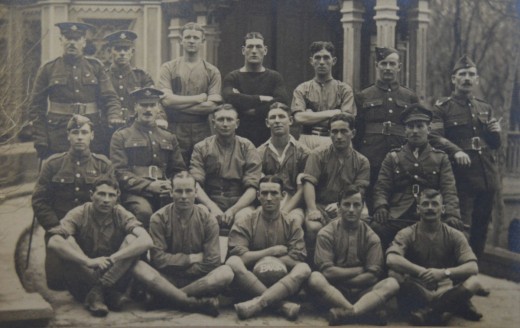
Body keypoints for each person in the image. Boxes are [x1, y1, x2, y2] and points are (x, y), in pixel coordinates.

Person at [129, 171, 234, 317]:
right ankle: (191, 302)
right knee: (138, 267)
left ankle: (167, 298)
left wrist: (178, 266)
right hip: (167, 278)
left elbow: (212, 262)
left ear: (196, 192)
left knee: (226, 273)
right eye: (179, 191)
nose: (184, 196)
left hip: (196, 280)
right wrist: (191, 259)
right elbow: (158, 260)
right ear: (171, 192)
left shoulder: (208, 220)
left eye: (188, 191)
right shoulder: (158, 218)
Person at [46, 178, 153, 317]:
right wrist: (87, 261)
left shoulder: (120, 213)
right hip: (82, 280)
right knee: (67, 239)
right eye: (101, 194)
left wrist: (115, 257)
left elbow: (147, 241)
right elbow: (53, 241)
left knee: (133, 239)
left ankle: (99, 291)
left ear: (117, 197)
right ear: (91, 195)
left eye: (111, 195)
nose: (106, 200)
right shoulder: (79, 213)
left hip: (114, 277)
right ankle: (107, 294)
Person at [431, 55, 501, 262]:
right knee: (459, 226)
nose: (467, 78)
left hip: (486, 175)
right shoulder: (442, 107)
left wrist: (495, 132)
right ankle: (457, 274)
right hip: (460, 177)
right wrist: (456, 151)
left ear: (477, 80)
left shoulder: (484, 108)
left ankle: (473, 274)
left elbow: (495, 144)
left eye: (471, 75)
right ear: (454, 79)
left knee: (481, 228)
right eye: (462, 74)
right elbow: (434, 137)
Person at [32, 115, 115, 290]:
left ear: (92, 135)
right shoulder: (53, 164)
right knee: (57, 284)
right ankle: (96, 285)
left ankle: (94, 287)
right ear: (68, 135)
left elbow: (113, 200)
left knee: (89, 272)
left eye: (84, 132)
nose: (79, 137)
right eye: (75, 132)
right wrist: (53, 226)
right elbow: (39, 200)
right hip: (61, 229)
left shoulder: (103, 165)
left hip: (91, 230)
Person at [371, 104, 463, 249]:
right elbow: (382, 187)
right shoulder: (393, 157)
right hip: (399, 213)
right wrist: (381, 206)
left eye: (420, 126)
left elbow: (449, 189)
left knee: (453, 232)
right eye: (410, 126)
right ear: (404, 131)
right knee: (377, 228)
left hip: (430, 211)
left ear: (429, 129)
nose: (415, 131)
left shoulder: (440, 158)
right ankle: (384, 269)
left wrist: (452, 214)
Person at [386, 188, 483, 325]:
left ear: (443, 209)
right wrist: (420, 272)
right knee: (394, 275)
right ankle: (444, 310)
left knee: (474, 282)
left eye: (435, 204)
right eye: (425, 204)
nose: (430, 208)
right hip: (417, 288)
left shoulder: (455, 235)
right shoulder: (406, 233)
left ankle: (429, 312)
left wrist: (444, 273)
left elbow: (473, 267)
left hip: (445, 290)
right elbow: (391, 259)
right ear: (418, 209)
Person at [28, 22, 123, 158]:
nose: (72, 43)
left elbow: (111, 98)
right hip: (58, 133)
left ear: (83, 42)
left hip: (91, 131)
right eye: (68, 38)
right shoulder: (48, 69)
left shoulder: (96, 67)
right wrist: (41, 139)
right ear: (61, 40)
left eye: (76, 39)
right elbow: (36, 107)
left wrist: (114, 116)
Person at [307, 187, 399, 326]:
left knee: (392, 283)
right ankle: (364, 312)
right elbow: (327, 272)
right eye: (346, 204)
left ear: (362, 207)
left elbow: (373, 276)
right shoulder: (326, 233)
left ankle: (348, 313)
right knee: (315, 278)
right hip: (335, 291)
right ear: (339, 207)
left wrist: (342, 276)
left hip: (363, 291)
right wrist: (359, 270)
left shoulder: (371, 237)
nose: (351, 209)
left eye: (356, 205)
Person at [226, 175, 311, 320]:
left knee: (304, 269)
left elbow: (297, 258)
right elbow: (240, 256)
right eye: (264, 193)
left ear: (283, 196)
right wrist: (271, 252)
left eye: (274, 193)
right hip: (250, 281)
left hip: (282, 282)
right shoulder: (246, 221)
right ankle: (281, 304)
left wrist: (269, 261)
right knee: (232, 262)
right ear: (258, 196)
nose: (269, 198)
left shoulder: (291, 222)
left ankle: (259, 302)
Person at [354, 47, 419, 214]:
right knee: (375, 204)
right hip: (372, 156)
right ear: (377, 65)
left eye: (392, 64)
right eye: (384, 63)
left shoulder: (410, 97)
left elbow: (415, 129)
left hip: (401, 157)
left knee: (399, 205)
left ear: (399, 67)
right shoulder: (363, 95)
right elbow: (358, 130)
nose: (388, 67)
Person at [110, 87, 186, 228]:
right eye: (143, 105)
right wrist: (149, 186)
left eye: (152, 105)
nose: (148, 110)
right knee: (144, 212)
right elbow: (119, 171)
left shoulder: (168, 137)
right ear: (135, 108)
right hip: (134, 192)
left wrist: (171, 184)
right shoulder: (121, 136)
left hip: (164, 190)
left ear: (158, 108)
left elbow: (178, 170)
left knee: (179, 211)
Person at [302, 113, 370, 263]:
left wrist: (341, 205)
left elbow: (360, 190)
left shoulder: (362, 161)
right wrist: (312, 209)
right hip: (320, 205)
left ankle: (351, 262)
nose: (339, 136)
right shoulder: (317, 155)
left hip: (348, 204)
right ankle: (314, 265)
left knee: (363, 220)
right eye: (334, 131)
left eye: (344, 131)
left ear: (353, 133)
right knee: (313, 227)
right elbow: (309, 183)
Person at [158, 22, 223, 164]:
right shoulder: (168, 68)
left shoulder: (212, 71)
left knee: (201, 166)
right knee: (175, 167)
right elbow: (166, 101)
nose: (191, 41)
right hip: (174, 127)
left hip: (202, 129)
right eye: (187, 37)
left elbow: (211, 107)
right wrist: (198, 98)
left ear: (202, 41)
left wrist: (175, 103)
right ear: (181, 40)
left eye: (195, 37)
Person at [190, 104, 262, 230]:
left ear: (237, 123)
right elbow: (195, 185)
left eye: (229, 119)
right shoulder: (201, 147)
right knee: (201, 214)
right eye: (220, 119)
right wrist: (212, 207)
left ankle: (239, 249)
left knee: (244, 218)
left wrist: (233, 210)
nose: (225, 124)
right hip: (210, 200)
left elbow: (253, 187)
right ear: (213, 123)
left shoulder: (247, 147)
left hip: (240, 202)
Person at [222, 32, 288, 147]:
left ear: (265, 50)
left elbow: (281, 100)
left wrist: (254, 110)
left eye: (258, 47)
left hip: (267, 137)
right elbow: (230, 98)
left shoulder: (274, 77)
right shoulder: (233, 77)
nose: (254, 50)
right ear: (243, 50)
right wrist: (261, 98)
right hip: (238, 137)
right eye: (250, 46)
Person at [291, 41, 356, 149]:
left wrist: (311, 116)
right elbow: (299, 118)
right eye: (317, 58)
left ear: (333, 61)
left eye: (326, 58)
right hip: (307, 140)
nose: (322, 62)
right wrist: (335, 112)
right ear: (311, 61)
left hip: (335, 139)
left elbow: (347, 120)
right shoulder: (302, 89)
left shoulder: (344, 89)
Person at [257, 102, 310, 226]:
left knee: (293, 221)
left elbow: (303, 190)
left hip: (294, 206)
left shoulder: (304, 152)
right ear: (267, 123)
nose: (277, 121)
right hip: (267, 205)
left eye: (281, 117)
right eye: (272, 117)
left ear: (290, 120)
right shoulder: (258, 153)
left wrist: (283, 211)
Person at [103, 30, 163, 129]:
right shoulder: (103, 76)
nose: (122, 53)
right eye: (118, 49)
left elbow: (153, 99)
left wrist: (160, 117)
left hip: (135, 127)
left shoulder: (141, 76)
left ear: (132, 52)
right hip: (107, 126)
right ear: (110, 52)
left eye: (126, 49)